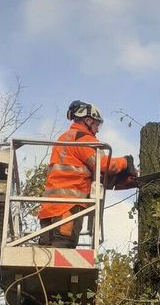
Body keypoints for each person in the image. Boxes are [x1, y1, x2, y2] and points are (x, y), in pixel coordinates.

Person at [38, 101, 136, 247]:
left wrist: (117, 181)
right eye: (97, 125)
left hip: (48, 210)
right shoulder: (83, 138)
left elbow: (84, 173)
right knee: (62, 251)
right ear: (88, 120)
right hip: (67, 208)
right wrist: (125, 162)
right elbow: (103, 164)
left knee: (44, 258)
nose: (97, 130)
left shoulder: (64, 138)